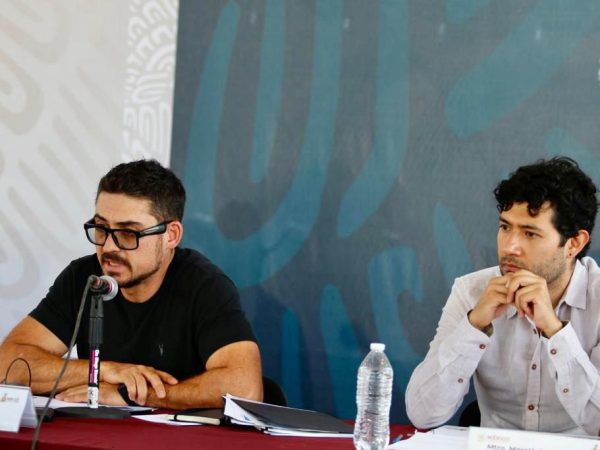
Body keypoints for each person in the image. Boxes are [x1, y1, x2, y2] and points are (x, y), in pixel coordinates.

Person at [0, 160, 262, 409]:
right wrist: (103, 371)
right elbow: (7, 365)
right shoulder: (84, 278)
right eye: (101, 228)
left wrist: (132, 394)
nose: (108, 247)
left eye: (128, 233)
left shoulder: (204, 285)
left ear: (171, 236)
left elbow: (246, 388)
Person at [405, 156, 600, 435]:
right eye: (505, 227)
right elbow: (422, 415)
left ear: (574, 244)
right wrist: (474, 325)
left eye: (530, 234)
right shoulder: (471, 292)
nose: (510, 247)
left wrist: (555, 331)